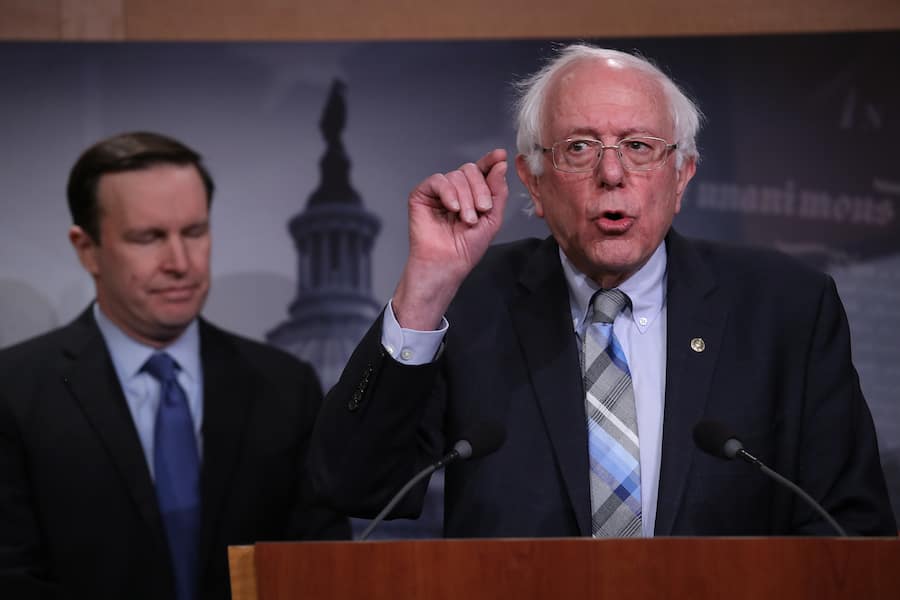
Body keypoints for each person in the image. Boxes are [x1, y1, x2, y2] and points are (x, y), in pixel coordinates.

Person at [308, 44, 897, 537]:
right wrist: (425, 290)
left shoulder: (787, 310)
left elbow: (849, 531)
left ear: (681, 176)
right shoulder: (469, 302)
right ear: (532, 184)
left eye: (639, 147)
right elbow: (353, 483)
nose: (611, 174)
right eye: (579, 148)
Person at [0, 132, 350, 599]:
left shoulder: (287, 387)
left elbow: (320, 567)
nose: (181, 262)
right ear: (87, 249)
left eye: (194, 232)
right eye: (149, 238)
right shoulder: (14, 392)